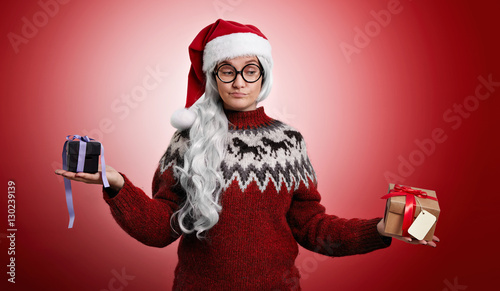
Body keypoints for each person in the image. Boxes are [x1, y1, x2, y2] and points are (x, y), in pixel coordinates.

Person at [55, 19, 439, 290]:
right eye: (227, 71)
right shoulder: (188, 140)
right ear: (213, 78)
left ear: (264, 76)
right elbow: (160, 229)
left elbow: (313, 228)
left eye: (250, 70)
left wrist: (381, 229)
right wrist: (118, 186)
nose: (239, 81)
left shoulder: (290, 142)